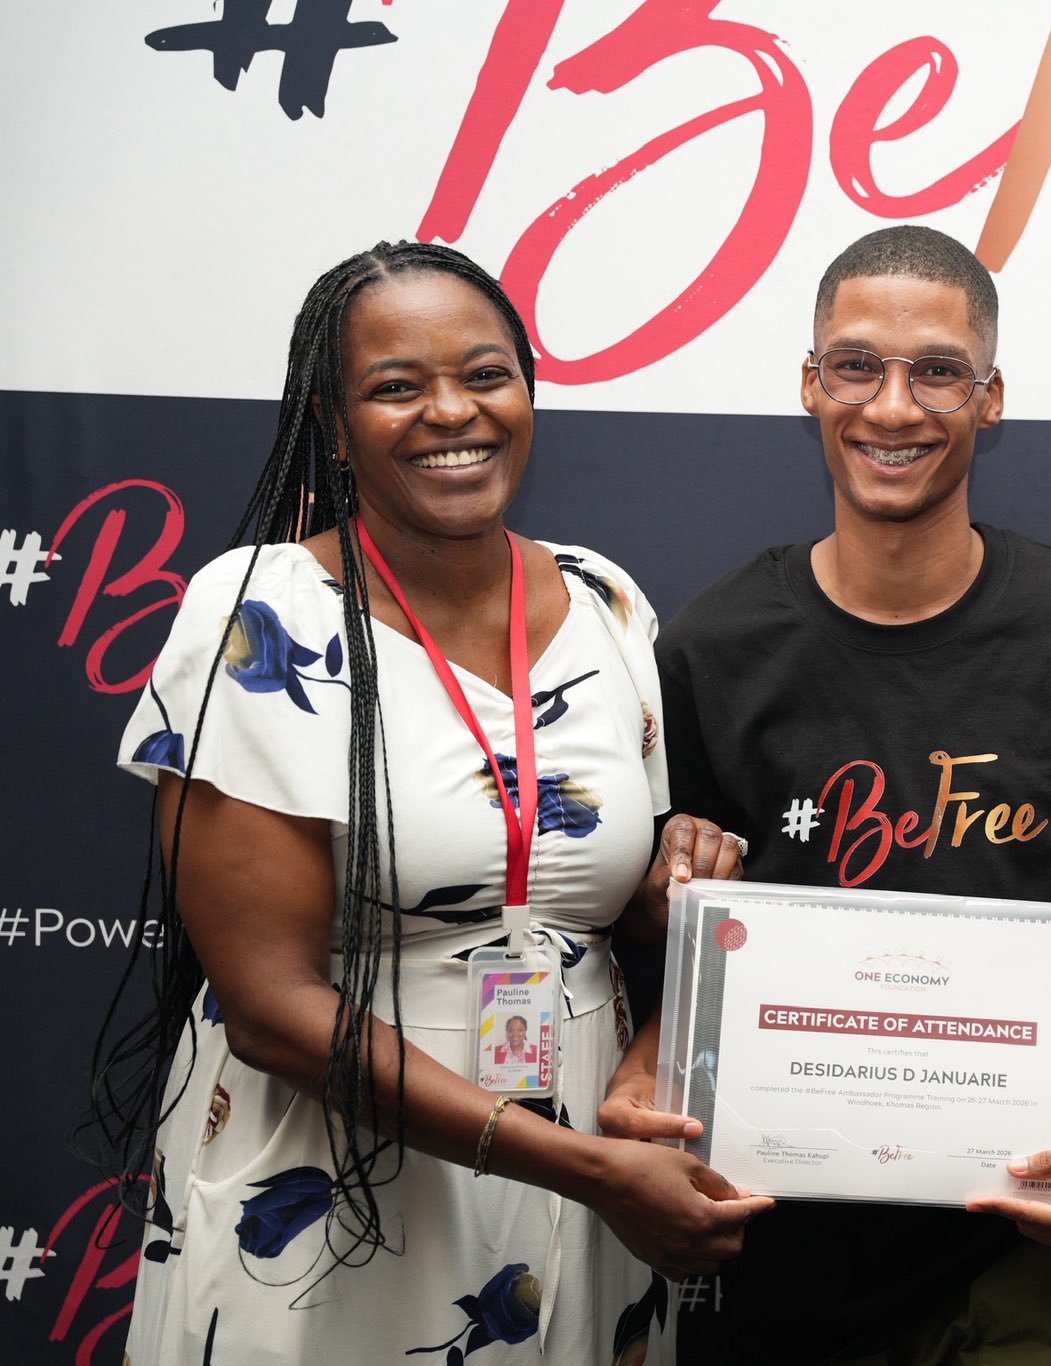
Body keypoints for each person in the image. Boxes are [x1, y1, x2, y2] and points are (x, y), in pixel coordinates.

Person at [92, 241, 771, 1366]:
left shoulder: (606, 600)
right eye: (397, 386)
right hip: (345, 1180)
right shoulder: (259, 617)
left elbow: (586, 902)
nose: (452, 411)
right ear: (334, 419)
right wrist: (591, 1171)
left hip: (582, 1157)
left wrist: (675, 878)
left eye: (485, 374)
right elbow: (267, 1005)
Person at [600, 225, 1051, 1364]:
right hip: (779, 1235)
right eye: (857, 366)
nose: (893, 406)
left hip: (1019, 1235)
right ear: (809, 384)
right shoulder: (717, 644)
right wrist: (642, 1076)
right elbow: (700, 929)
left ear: (990, 397)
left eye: (937, 372)